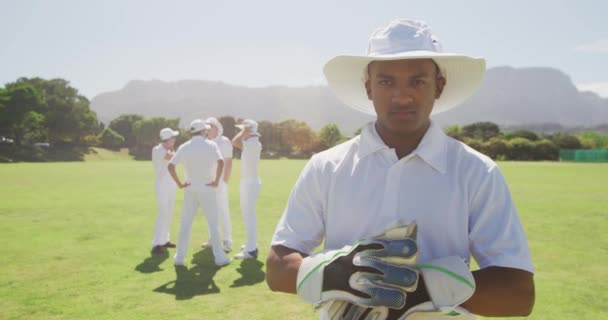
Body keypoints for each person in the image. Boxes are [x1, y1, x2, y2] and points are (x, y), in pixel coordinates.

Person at [266, 19, 534, 320]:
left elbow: (518, 295)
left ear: (439, 87)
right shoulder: (326, 167)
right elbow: (277, 270)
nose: (402, 96)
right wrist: (333, 274)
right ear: (368, 88)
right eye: (386, 81)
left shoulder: (477, 172)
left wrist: (423, 290)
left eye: (418, 81)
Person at [168, 119, 231, 267]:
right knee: (213, 225)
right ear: (203, 131)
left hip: (190, 189)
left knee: (185, 224)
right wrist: (216, 181)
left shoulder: (184, 146)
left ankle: (179, 258)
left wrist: (179, 184)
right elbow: (221, 162)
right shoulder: (211, 145)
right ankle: (220, 258)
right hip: (207, 188)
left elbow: (171, 166)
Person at [201, 117, 234, 252]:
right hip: (208, 182)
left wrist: (224, 181)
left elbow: (228, 162)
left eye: (209, 128)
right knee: (210, 211)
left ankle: (227, 241)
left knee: (223, 211)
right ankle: (213, 239)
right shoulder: (206, 142)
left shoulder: (224, 141)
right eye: (206, 128)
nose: (207, 130)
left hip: (220, 182)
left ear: (217, 128)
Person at [232, 119, 262, 260]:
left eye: (243, 131)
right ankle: (251, 244)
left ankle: (251, 250)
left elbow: (235, 142)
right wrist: (245, 131)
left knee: (249, 217)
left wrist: (244, 131)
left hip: (249, 184)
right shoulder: (253, 143)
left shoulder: (251, 143)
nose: (240, 133)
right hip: (250, 182)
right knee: (248, 216)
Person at [150, 128, 179, 254]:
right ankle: (156, 243)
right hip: (162, 185)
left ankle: (165, 240)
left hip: (171, 184)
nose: (175, 139)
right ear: (168, 139)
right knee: (163, 213)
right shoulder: (157, 150)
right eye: (173, 137)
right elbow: (173, 157)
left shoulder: (169, 149)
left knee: (169, 212)